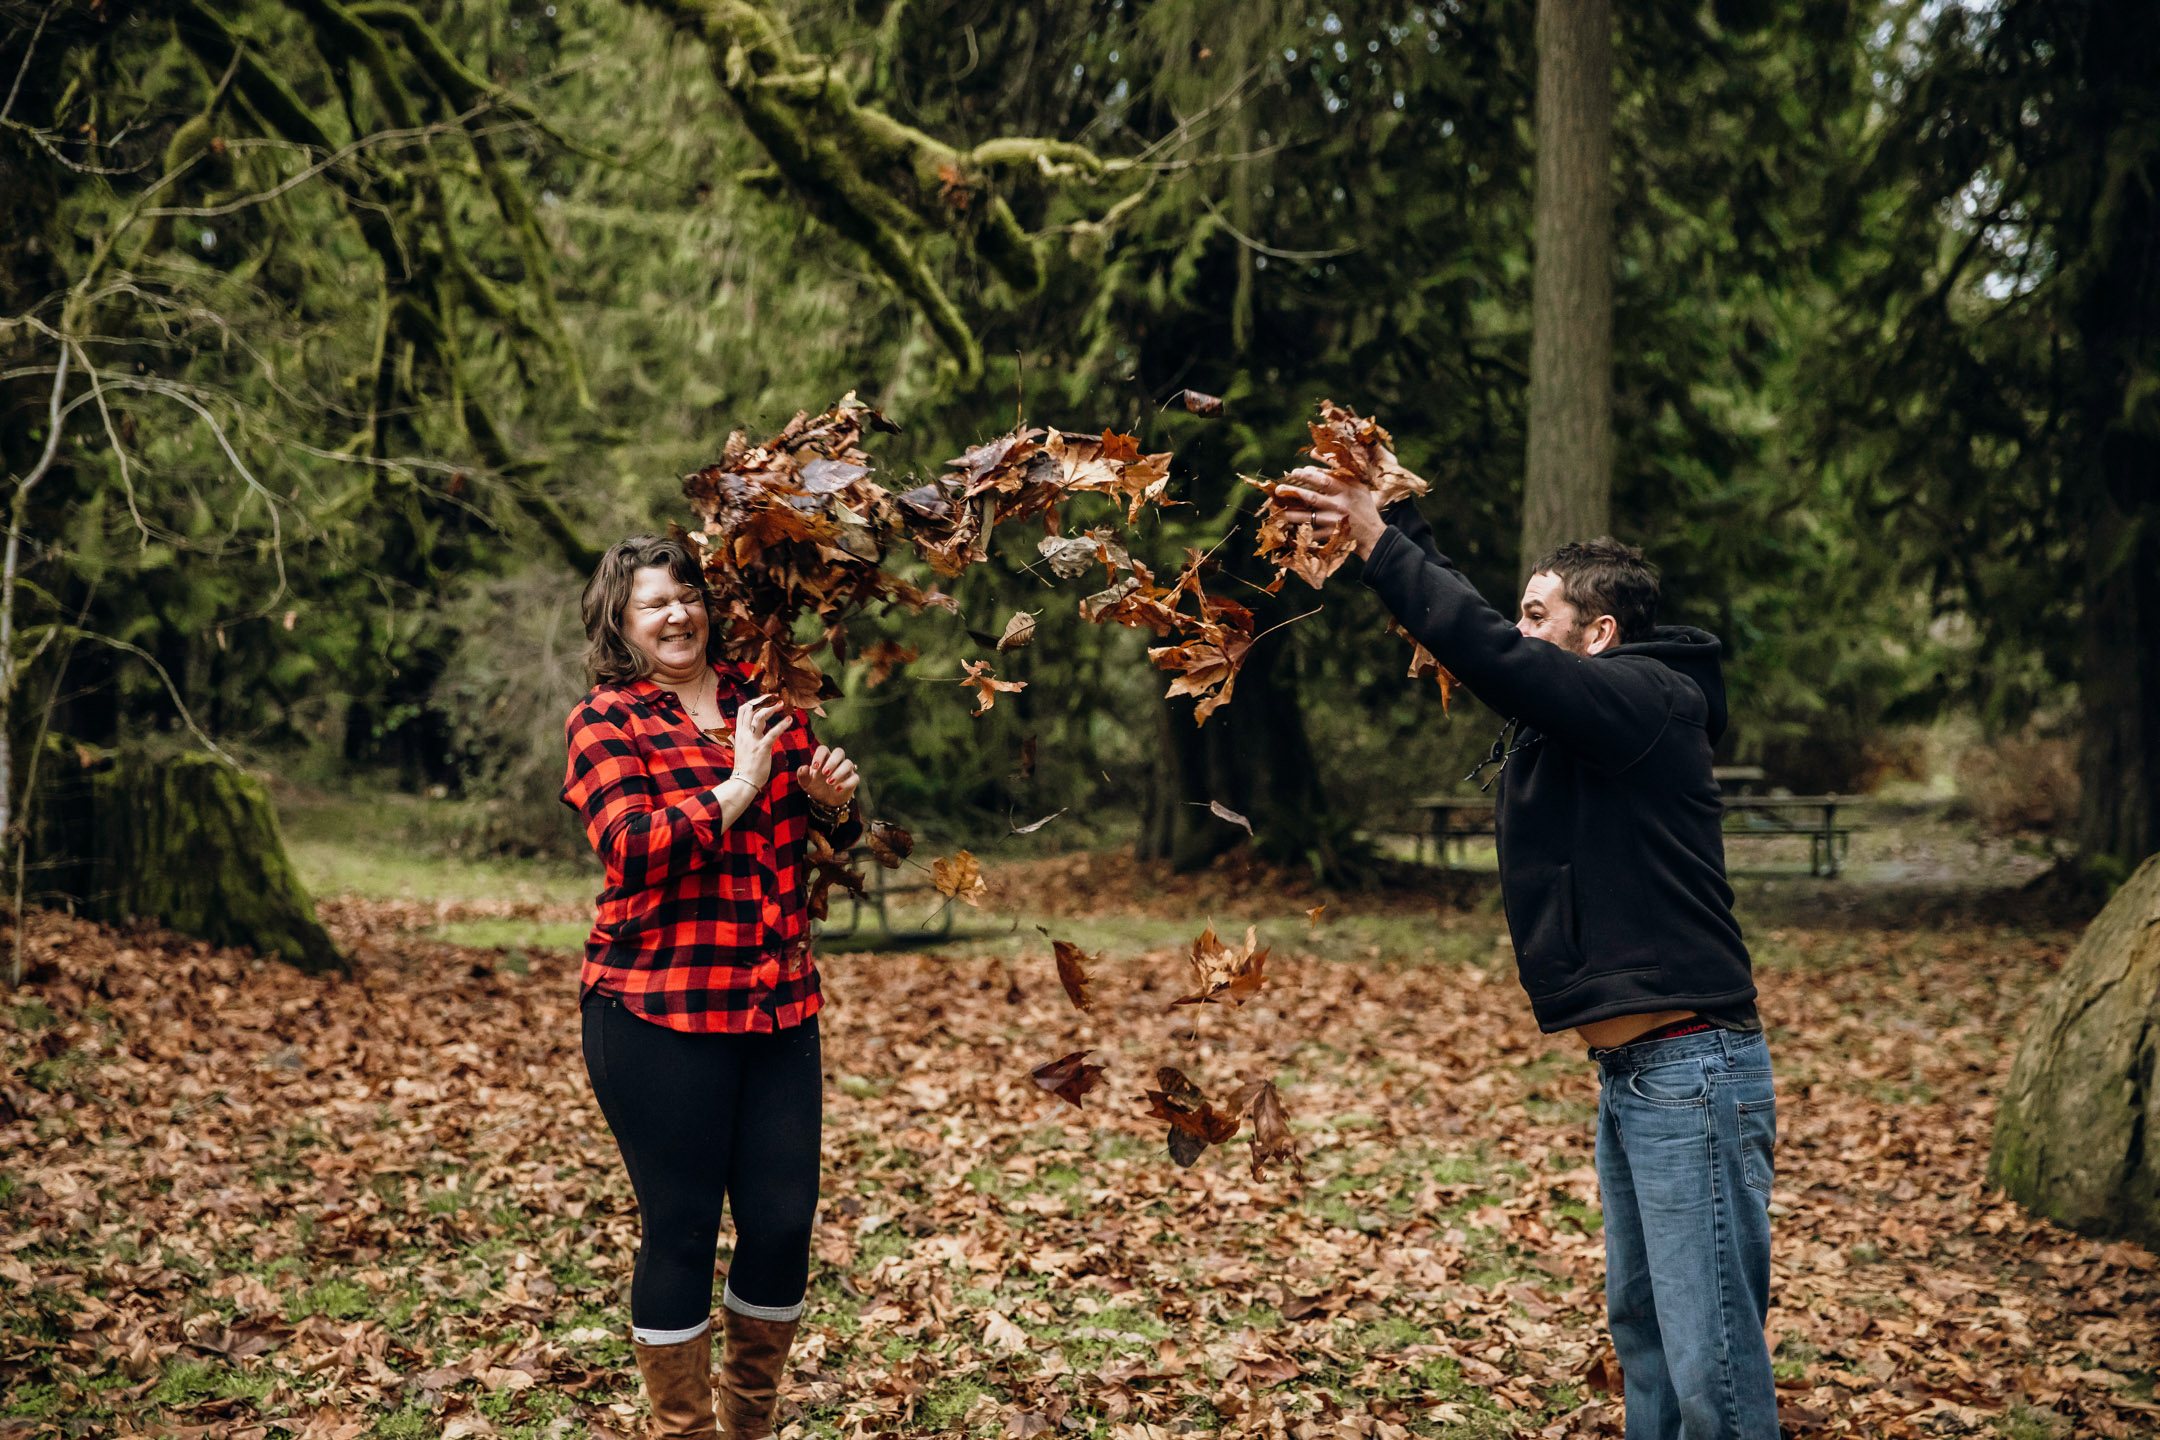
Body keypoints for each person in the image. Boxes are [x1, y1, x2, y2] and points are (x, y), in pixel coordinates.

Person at [1275, 471, 1777, 1440]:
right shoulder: (1586, 715)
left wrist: (1382, 543)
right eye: (1520, 614)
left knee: (1709, 1355)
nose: (1521, 631)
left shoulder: (1647, 699)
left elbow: (1502, 658)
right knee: (1647, 1339)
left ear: (1600, 634)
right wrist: (1397, 521)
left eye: (1541, 615)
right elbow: (1498, 651)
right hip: (1636, 1075)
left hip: (1693, 1072)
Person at [564, 535, 861, 1440]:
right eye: (652, 603)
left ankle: (749, 1425)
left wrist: (834, 804)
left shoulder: (764, 706)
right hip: (657, 1008)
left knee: (781, 1224)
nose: (675, 613)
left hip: (777, 1006)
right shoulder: (606, 722)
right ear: (620, 621)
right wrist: (738, 782)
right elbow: (633, 847)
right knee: (685, 1228)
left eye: (685, 594)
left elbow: (831, 849)